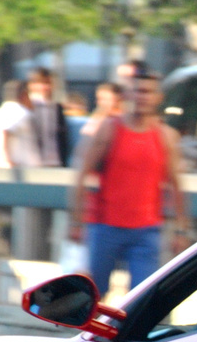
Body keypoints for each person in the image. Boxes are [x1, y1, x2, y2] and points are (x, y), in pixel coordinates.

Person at [70, 74, 187, 297]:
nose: (142, 97)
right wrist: (76, 220)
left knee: (144, 296)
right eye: (137, 91)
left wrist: (181, 229)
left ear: (158, 98)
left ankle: (130, 333)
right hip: (106, 226)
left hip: (147, 230)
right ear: (126, 95)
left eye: (148, 92)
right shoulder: (109, 129)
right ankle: (91, 332)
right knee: (94, 295)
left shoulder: (165, 136)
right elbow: (81, 174)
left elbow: (176, 185)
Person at [26, 66, 70, 166]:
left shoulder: (57, 107)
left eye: (49, 83)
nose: (46, 87)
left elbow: (62, 137)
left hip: (55, 161)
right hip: (33, 161)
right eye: (42, 83)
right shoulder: (28, 106)